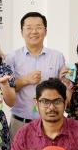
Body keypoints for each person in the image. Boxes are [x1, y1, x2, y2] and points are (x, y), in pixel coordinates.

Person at [4, 12, 66, 140]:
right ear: (22, 32)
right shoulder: (11, 57)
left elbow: (62, 90)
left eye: (38, 27)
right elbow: (7, 91)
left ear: (45, 31)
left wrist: (64, 81)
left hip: (50, 123)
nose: (34, 31)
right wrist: (25, 80)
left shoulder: (57, 57)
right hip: (20, 122)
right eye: (29, 28)